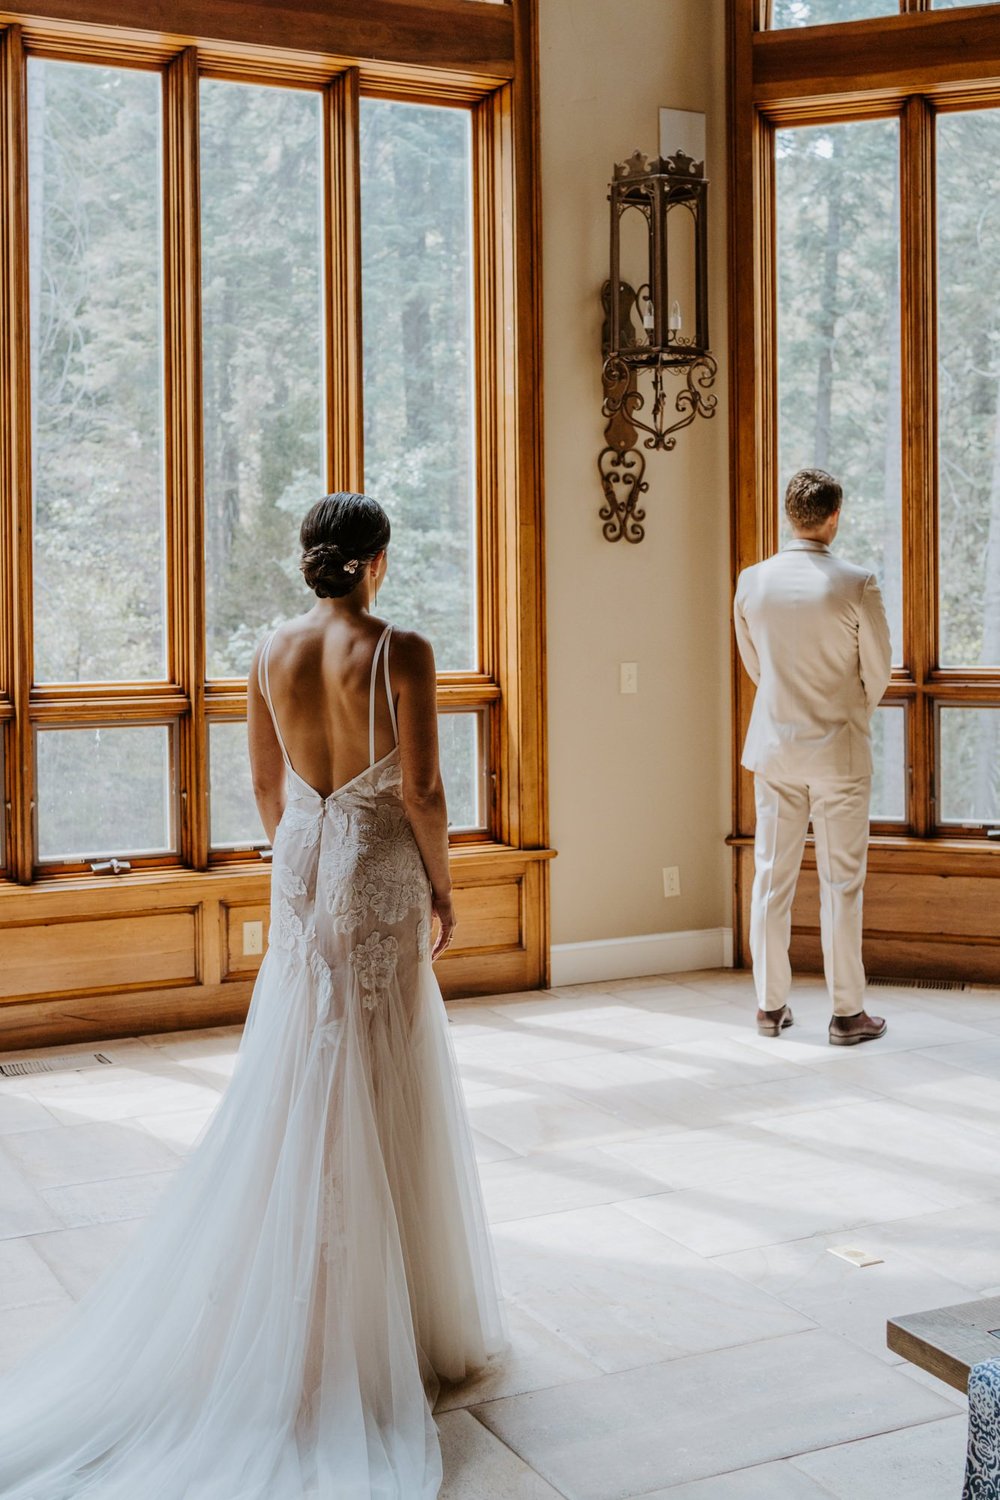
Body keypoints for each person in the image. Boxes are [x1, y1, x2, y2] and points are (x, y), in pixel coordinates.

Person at [0, 491, 506, 1499]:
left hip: (306, 857)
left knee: (307, 1052)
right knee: (381, 1050)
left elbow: (267, 786)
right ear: (377, 562)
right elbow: (424, 790)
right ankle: (378, 1319)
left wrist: (303, 858)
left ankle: (309, 1296)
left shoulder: (269, 648)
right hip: (375, 859)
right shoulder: (399, 646)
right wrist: (443, 887)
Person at [734, 468, 893, 1046]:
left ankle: (769, 1007)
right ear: (835, 516)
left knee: (771, 879)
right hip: (839, 753)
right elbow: (877, 671)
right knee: (841, 883)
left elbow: (756, 667)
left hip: (774, 748)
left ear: (789, 515)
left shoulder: (752, 582)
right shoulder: (857, 582)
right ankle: (847, 1014)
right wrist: (845, 711)